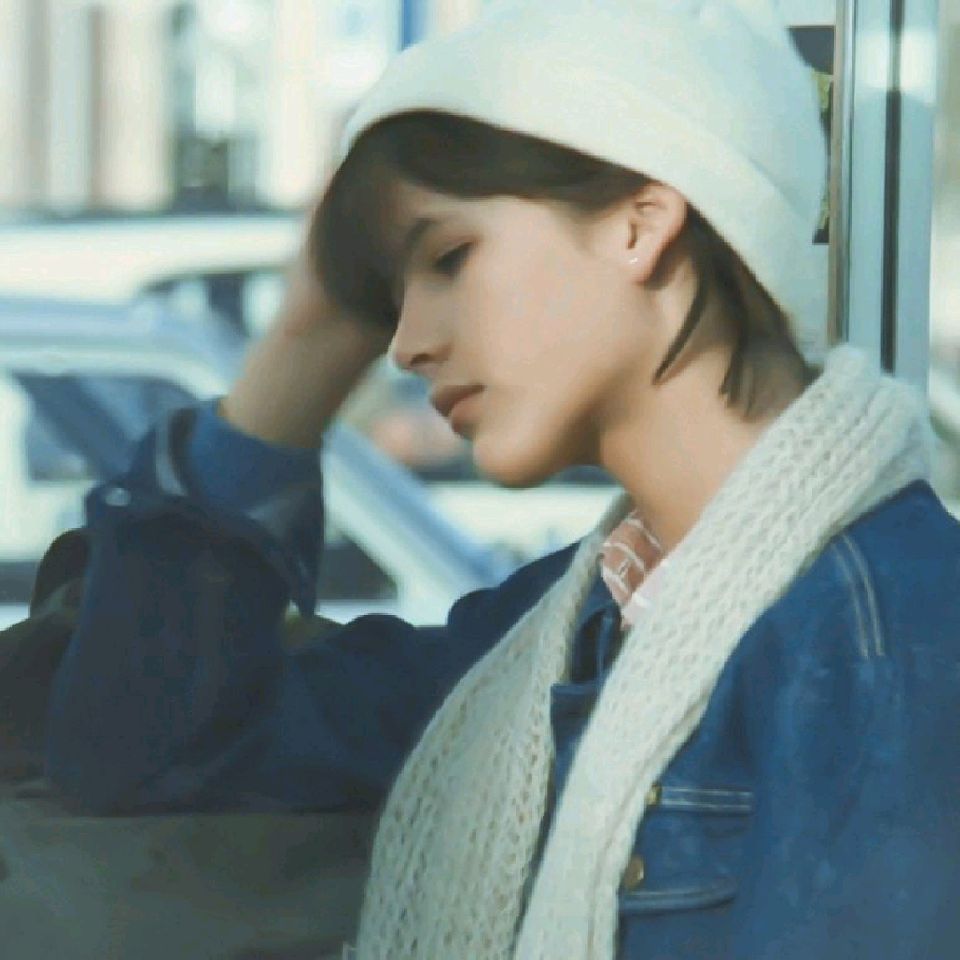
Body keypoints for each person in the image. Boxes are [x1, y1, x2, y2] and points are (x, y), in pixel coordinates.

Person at [39, 1, 960, 957]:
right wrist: (306, 344)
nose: (405, 343)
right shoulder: (550, 636)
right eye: (388, 297)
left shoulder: (890, 636)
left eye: (449, 258)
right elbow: (143, 749)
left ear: (640, 224)